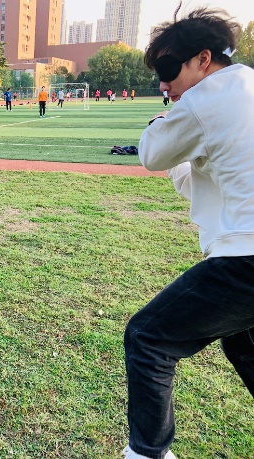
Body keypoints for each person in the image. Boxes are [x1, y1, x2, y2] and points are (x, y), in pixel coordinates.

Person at [123, 8, 251, 459]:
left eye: (168, 69)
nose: (164, 84)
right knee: (242, 339)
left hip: (247, 257)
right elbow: (206, 180)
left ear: (203, 59)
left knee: (148, 338)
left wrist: (159, 125)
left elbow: (151, 155)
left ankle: (147, 454)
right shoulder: (247, 86)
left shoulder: (205, 98)